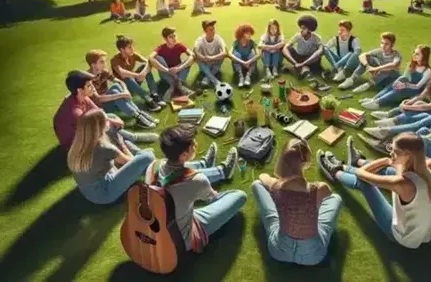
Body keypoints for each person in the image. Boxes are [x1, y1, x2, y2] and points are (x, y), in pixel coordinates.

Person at [317, 134, 431, 249]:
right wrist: (393, 162)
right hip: (423, 233)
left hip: (402, 236)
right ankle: (348, 164)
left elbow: (361, 174)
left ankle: (335, 172)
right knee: (389, 171)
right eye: (391, 149)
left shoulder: (402, 183)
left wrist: (386, 161)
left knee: (365, 183)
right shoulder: (428, 173)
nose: (391, 153)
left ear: (408, 155)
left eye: (395, 151)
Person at [145, 124, 246, 253]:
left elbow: (176, 172)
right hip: (180, 237)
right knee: (239, 196)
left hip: (157, 227)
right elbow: (211, 197)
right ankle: (222, 171)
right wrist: (203, 189)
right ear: (183, 154)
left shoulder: (153, 166)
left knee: (179, 170)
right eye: (193, 144)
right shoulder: (197, 180)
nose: (196, 144)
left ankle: (206, 164)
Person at [251, 138, 342, 265]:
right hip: (313, 256)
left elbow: (262, 177)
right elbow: (329, 193)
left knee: (256, 184)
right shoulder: (319, 188)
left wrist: (276, 181)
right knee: (336, 199)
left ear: (282, 160)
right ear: (305, 161)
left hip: (278, 250)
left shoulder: (275, 186)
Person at [53, 71, 158, 152]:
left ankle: (131, 140)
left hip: (84, 130)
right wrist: (110, 123)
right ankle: (133, 147)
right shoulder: (75, 111)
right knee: (107, 130)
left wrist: (112, 120)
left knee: (110, 117)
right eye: (89, 86)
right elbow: (95, 127)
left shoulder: (82, 96)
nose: (93, 88)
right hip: (76, 144)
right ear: (80, 90)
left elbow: (98, 111)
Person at [68, 109, 156, 204]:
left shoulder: (78, 143)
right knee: (147, 156)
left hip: (89, 190)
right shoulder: (104, 147)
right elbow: (130, 161)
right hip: (105, 191)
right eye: (107, 120)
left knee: (133, 151)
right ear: (100, 126)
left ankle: (142, 156)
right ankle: (152, 165)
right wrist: (123, 146)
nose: (109, 122)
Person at [364, 58, 431, 140]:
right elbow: (422, 95)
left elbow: (429, 106)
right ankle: (391, 118)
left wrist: (407, 106)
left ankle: (387, 129)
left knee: (420, 115)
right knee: (417, 102)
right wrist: (409, 102)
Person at [86, 50, 158, 129]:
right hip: (100, 108)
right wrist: (121, 95)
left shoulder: (103, 72)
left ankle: (139, 113)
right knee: (115, 92)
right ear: (93, 65)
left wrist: (125, 90)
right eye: (102, 62)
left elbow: (120, 81)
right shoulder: (88, 79)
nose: (105, 64)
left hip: (109, 100)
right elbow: (99, 99)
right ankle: (138, 117)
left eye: (105, 61)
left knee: (116, 86)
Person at [360, 45, 431, 110]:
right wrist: (398, 82)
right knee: (394, 84)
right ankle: (374, 99)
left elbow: (418, 86)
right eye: (414, 52)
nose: (414, 55)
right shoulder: (411, 64)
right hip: (407, 85)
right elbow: (405, 76)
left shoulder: (427, 71)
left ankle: (378, 103)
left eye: (417, 54)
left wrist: (405, 85)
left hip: (415, 90)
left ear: (424, 56)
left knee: (399, 89)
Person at [110, 35, 165, 112]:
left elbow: (147, 62)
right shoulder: (114, 60)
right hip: (125, 88)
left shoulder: (133, 55)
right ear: (122, 49)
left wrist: (143, 72)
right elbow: (122, 73)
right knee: (127, 77)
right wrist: (138, 75)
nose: (132, 49)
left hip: (134, 82)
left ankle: (154, 94)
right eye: (129, 47)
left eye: (132, 46)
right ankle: (147, 99)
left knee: (144, 67)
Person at [149, 27, 196, 101]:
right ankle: (175, 86)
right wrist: (168, 70)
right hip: (166, 74)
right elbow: (150, 58)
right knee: (157, 58)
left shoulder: (179, 45)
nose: (174, 38)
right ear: (165, 39)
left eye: (174, 36)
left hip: (178, 72)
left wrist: (178, 68)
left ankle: (175, 86)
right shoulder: (161, 48)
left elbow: (192, 55)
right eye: (171, 37)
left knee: (190, 59)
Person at [282, 15, 324, 79]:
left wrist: (302, 64)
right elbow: (285, 48)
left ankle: (297, 68)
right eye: (301, 28)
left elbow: (320, 50)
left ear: (309, 30)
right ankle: (302, 68)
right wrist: (295, 63)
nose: (301, 30)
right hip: (299, 58)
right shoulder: (298, 36)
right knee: (285, 48)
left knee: (319, 53)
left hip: (310, 60)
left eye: (304, 28)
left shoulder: (316, 38)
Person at [194, 20, 227, 87]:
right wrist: (203, 58)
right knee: (197, 58)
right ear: (205, 31)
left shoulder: (218, 38)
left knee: (222, 56)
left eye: (213, 29)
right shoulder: (200, 40)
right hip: (205, 64)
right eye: (210, 30)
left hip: (215, 62)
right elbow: (195, 51)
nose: (213, 31)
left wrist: (212, 58)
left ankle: (207, 78)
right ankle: (215, 81)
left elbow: (224, 52)